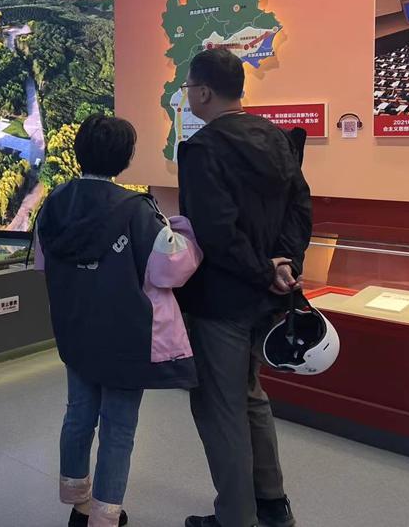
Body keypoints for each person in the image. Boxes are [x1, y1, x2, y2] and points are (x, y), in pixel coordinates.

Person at [35, 114, 202, 527]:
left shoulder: (54, 202)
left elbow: (42, 262)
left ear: (79, 152)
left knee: (78, 415)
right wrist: (184, 231)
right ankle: (105, 516)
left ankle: (78, 504)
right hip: (126, 336)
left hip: (75, 329)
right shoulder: (136, 211)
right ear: (126, 157)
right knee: (118, 427)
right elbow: (170, 270)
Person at [177, 48, 312, 527]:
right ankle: (273, 504)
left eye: (189, 88)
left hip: (222, 302)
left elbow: (215, 233)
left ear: (203, 92)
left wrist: (262, 269)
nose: (188, 95)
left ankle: (236, 517)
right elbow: (300, 210)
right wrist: (284, 265)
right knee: (252, 394)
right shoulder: (277, 138)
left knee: (221, 407)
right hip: (268, 300)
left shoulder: (201, 149)